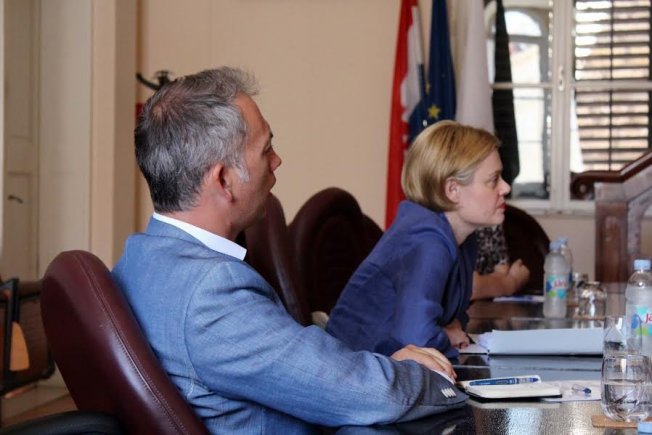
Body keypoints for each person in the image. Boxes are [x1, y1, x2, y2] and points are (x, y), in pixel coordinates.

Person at [112, 68, 466, 433]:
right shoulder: (211, 292)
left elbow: (310, 369)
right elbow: (366, 393)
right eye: (266, 149)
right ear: (224, 179)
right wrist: (435, 378)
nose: (277, 160)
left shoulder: (139, 259)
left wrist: (385, 366)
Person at [326, 120, 510, 359]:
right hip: (353, 369)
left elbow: (454, 319)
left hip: (388, 368)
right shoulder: (426, 242)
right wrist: (445, 335)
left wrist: (447, 330)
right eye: (493, 180)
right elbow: (417, 340)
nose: (505, 187)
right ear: (452, 190)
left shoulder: (464, 237)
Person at [471, 225, 530, 301]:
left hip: (485, 304)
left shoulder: (492, 222)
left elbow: (502, 272)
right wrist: (512, 282)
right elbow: (468, 287)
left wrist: (487, 286)